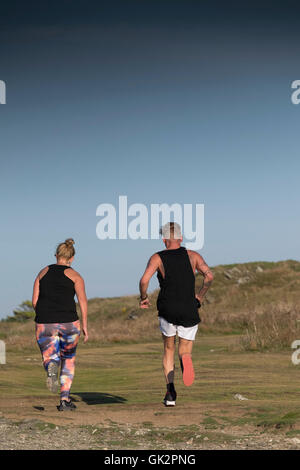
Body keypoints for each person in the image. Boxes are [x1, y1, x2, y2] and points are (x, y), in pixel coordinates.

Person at [139, 222, 213, 406]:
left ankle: (170, 392)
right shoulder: (193, 256)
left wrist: (144, 297)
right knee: (184, 349)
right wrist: (200, 296)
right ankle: (185, 358)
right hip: (189, 307)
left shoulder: (157, 258)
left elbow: (144, 280)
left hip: (167, 309)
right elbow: (209, 276)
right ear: (181, 238)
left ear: (164, 240)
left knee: (168, 349)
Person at [32, 238, 88, 411]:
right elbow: (83, 303)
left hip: (44, 322)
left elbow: (35, 301)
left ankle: (50, 366)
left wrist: (45, 315)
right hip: (69, 323)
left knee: (51, 357)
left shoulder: (42, 272)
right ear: (72, 258)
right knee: (68, 359)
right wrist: (85, 325)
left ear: (56, 255)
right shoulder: (76, 276)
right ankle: (64, 400)